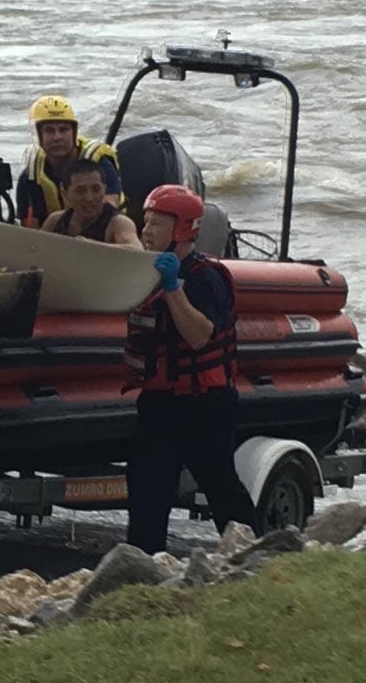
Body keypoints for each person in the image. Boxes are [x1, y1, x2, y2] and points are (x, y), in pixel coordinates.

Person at [122, 184, 256, 553]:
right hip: (160, 401)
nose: (146, 231)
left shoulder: (205, 278)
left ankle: (254, 553)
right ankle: (142, 566)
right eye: (144, 222)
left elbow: (200, 336)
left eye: (156, 224)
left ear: (182, 229)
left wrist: (172, 287)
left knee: (219, 483)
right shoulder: (144, 272)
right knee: (147, 485)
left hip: (205, 402)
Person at [15, 95, 123, 228]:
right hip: (55, 237)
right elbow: (30, 229)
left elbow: (109, 207)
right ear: (38, 135)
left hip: (105, 232)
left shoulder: (98, 162)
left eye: (63, 129)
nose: (57, 137)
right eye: (49, 131)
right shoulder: (31, 176)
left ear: (74, 132)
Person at [40, 159, 141, 249]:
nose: (89, 198)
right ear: (65, 194)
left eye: (96, 190)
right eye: (80, 191)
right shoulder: (55, 221)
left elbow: (137, 250)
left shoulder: (118, 223)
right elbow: (34, 248)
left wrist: (92, 247)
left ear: (105, 189)